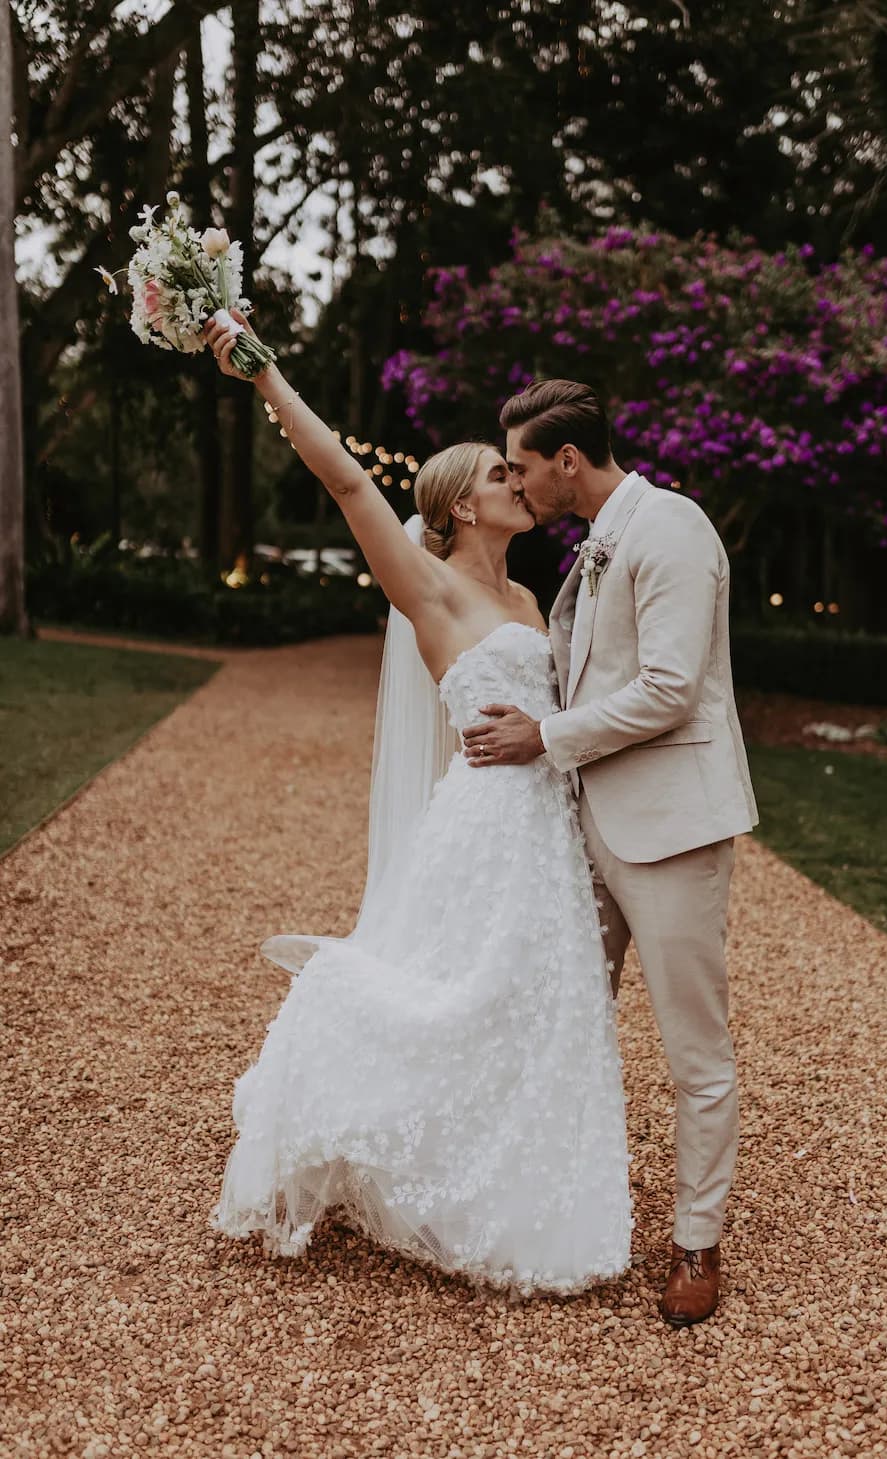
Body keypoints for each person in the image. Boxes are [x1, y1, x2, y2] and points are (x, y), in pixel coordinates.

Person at [202, 312, 633, 1299]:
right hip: (482, 828)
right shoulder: (430, 592)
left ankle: (519, 1192)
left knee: (538, 1013)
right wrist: (264, 373)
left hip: (550, 835)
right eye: (496, 474)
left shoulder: (536, 602)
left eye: (513, 470)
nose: (515, 482)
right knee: (452, 999)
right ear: (459, 506)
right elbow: (349, 481)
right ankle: (380, 1139)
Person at [460, 378, 760, 1326]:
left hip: (670, 831)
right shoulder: (589, 549)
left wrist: (541, 737)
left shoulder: (671, 529)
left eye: (518, 467)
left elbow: (670, 690)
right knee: (552, 1015)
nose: (513, 482)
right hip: (586, 828)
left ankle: (695, 1240)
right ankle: (539, 1206)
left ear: (566, 462)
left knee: (693, 1049)